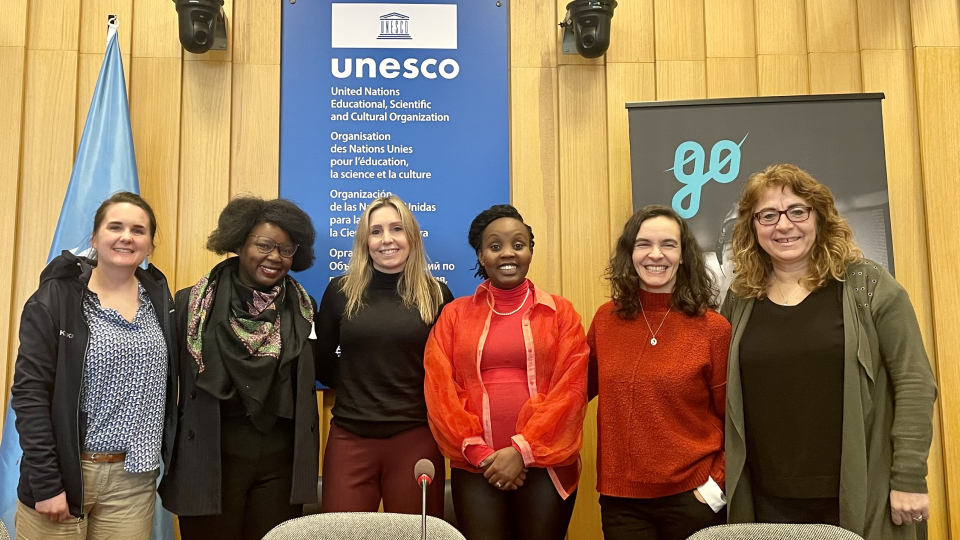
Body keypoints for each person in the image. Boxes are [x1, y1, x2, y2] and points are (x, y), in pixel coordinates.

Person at [721, 164, 938, 539]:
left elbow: (914, 382)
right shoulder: (740, 297)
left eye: (797, 211)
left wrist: (908, 476)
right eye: (768, 215)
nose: (783, 225)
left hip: (860, 492)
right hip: (765, 499)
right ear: (752, 227)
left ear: (819, 217)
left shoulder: (868, 285)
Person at [12, 192, 177, 540]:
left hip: (133, 481)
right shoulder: (56, 299)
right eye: (114, 226)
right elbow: (30, 395)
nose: (126, 237)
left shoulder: (161, 301)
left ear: (149, 244)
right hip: (66, 474)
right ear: (94, 237)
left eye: (138, 230)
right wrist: (46, 483)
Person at [158, 197, 320, 540]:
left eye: (286, 249)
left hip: (280, 466)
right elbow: (165, 382)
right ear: (240, 242)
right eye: (264, 245)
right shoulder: (193, 304)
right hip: (209, 460)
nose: (275, 257)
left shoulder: (304, 308)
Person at [424, 204, 588, 540]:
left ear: (530, 251)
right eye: (495, 246)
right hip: (476, 467)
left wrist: (522, 451)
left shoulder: (560, 313)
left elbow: (570, 391)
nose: (507, 253)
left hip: (547, 465)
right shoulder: (454, 315)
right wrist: (482, 455)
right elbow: (440, 390)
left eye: (518, 244)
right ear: (481, 256)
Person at [587, 205, 730, 540]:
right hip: (622, 504)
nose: (656, 254)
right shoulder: (605, 320)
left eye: (668, 244)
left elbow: (736, 422)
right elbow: (571, 393)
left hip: (694, 499)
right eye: (643, 244)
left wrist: (714, 490)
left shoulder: (714, 329)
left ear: (683, 255)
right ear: (629, 253)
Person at [316, 195, 452, 516]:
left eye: (396, 229)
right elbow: (320, 361)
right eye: (376, 231)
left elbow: (448, 372)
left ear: (412, 238)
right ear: (365, 241)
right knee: (341, 537)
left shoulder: (437, 295)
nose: (386, 239)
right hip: (350, 437)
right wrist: (354, 385)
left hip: (416, 438)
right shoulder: (340, 292)